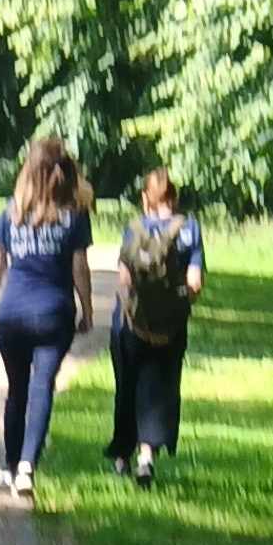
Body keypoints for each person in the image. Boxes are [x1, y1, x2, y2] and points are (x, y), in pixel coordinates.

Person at [0, 130, 94, 495]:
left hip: (11, 313)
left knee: (17, 389)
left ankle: (9, 464)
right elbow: (79, 268)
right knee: (42, 386)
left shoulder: (11, 214)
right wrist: (87, 309)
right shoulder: (74, 216)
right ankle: (28, 465)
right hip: (53, 313)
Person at [107, 167, 205, 483]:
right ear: (173, 196)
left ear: (145, 197)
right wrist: (173, 310)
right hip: (170, 329)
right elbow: (195, 284)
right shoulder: (188, 229)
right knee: (159, 390)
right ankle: (145, 458)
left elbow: (124, 279)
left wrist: (136, 314)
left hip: (129, 324)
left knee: (128, 387)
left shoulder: (133, 229)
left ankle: (122, 457)